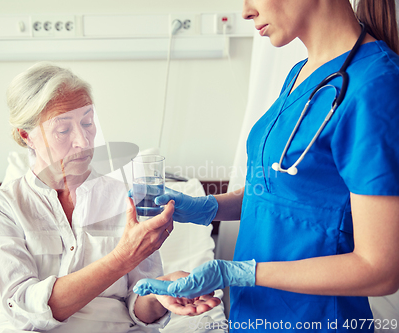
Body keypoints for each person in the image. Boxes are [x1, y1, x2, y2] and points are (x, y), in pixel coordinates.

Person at [133, 0, 399, 331]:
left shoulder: (376, 86)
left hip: (316, 321)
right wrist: (207, 208)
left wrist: (239, 272)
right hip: (256, 317)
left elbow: (380, 269)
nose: (245, 11)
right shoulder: (303, 72)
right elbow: (284, 195)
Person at [0, 63, 220, 333]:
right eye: (63, 130)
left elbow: (140, 309)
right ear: (26, 136)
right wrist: (123, 257)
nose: (83, 141)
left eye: (88, 123)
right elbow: (25, 310)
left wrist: (164, 290)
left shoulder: (125, 199)